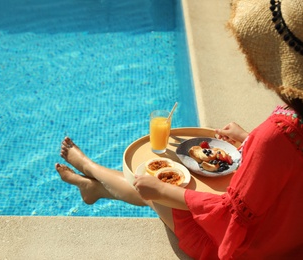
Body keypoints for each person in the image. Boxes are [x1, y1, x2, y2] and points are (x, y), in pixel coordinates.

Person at [55, 0, 303, 258]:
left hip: (243, 248)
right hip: (288, 239)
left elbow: (229, 216)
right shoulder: (288, 129)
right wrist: (249, 139)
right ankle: (93, 187)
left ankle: (90, 169)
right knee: (158, 185)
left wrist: (164, 191)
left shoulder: (277, 135)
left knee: (153, 186)